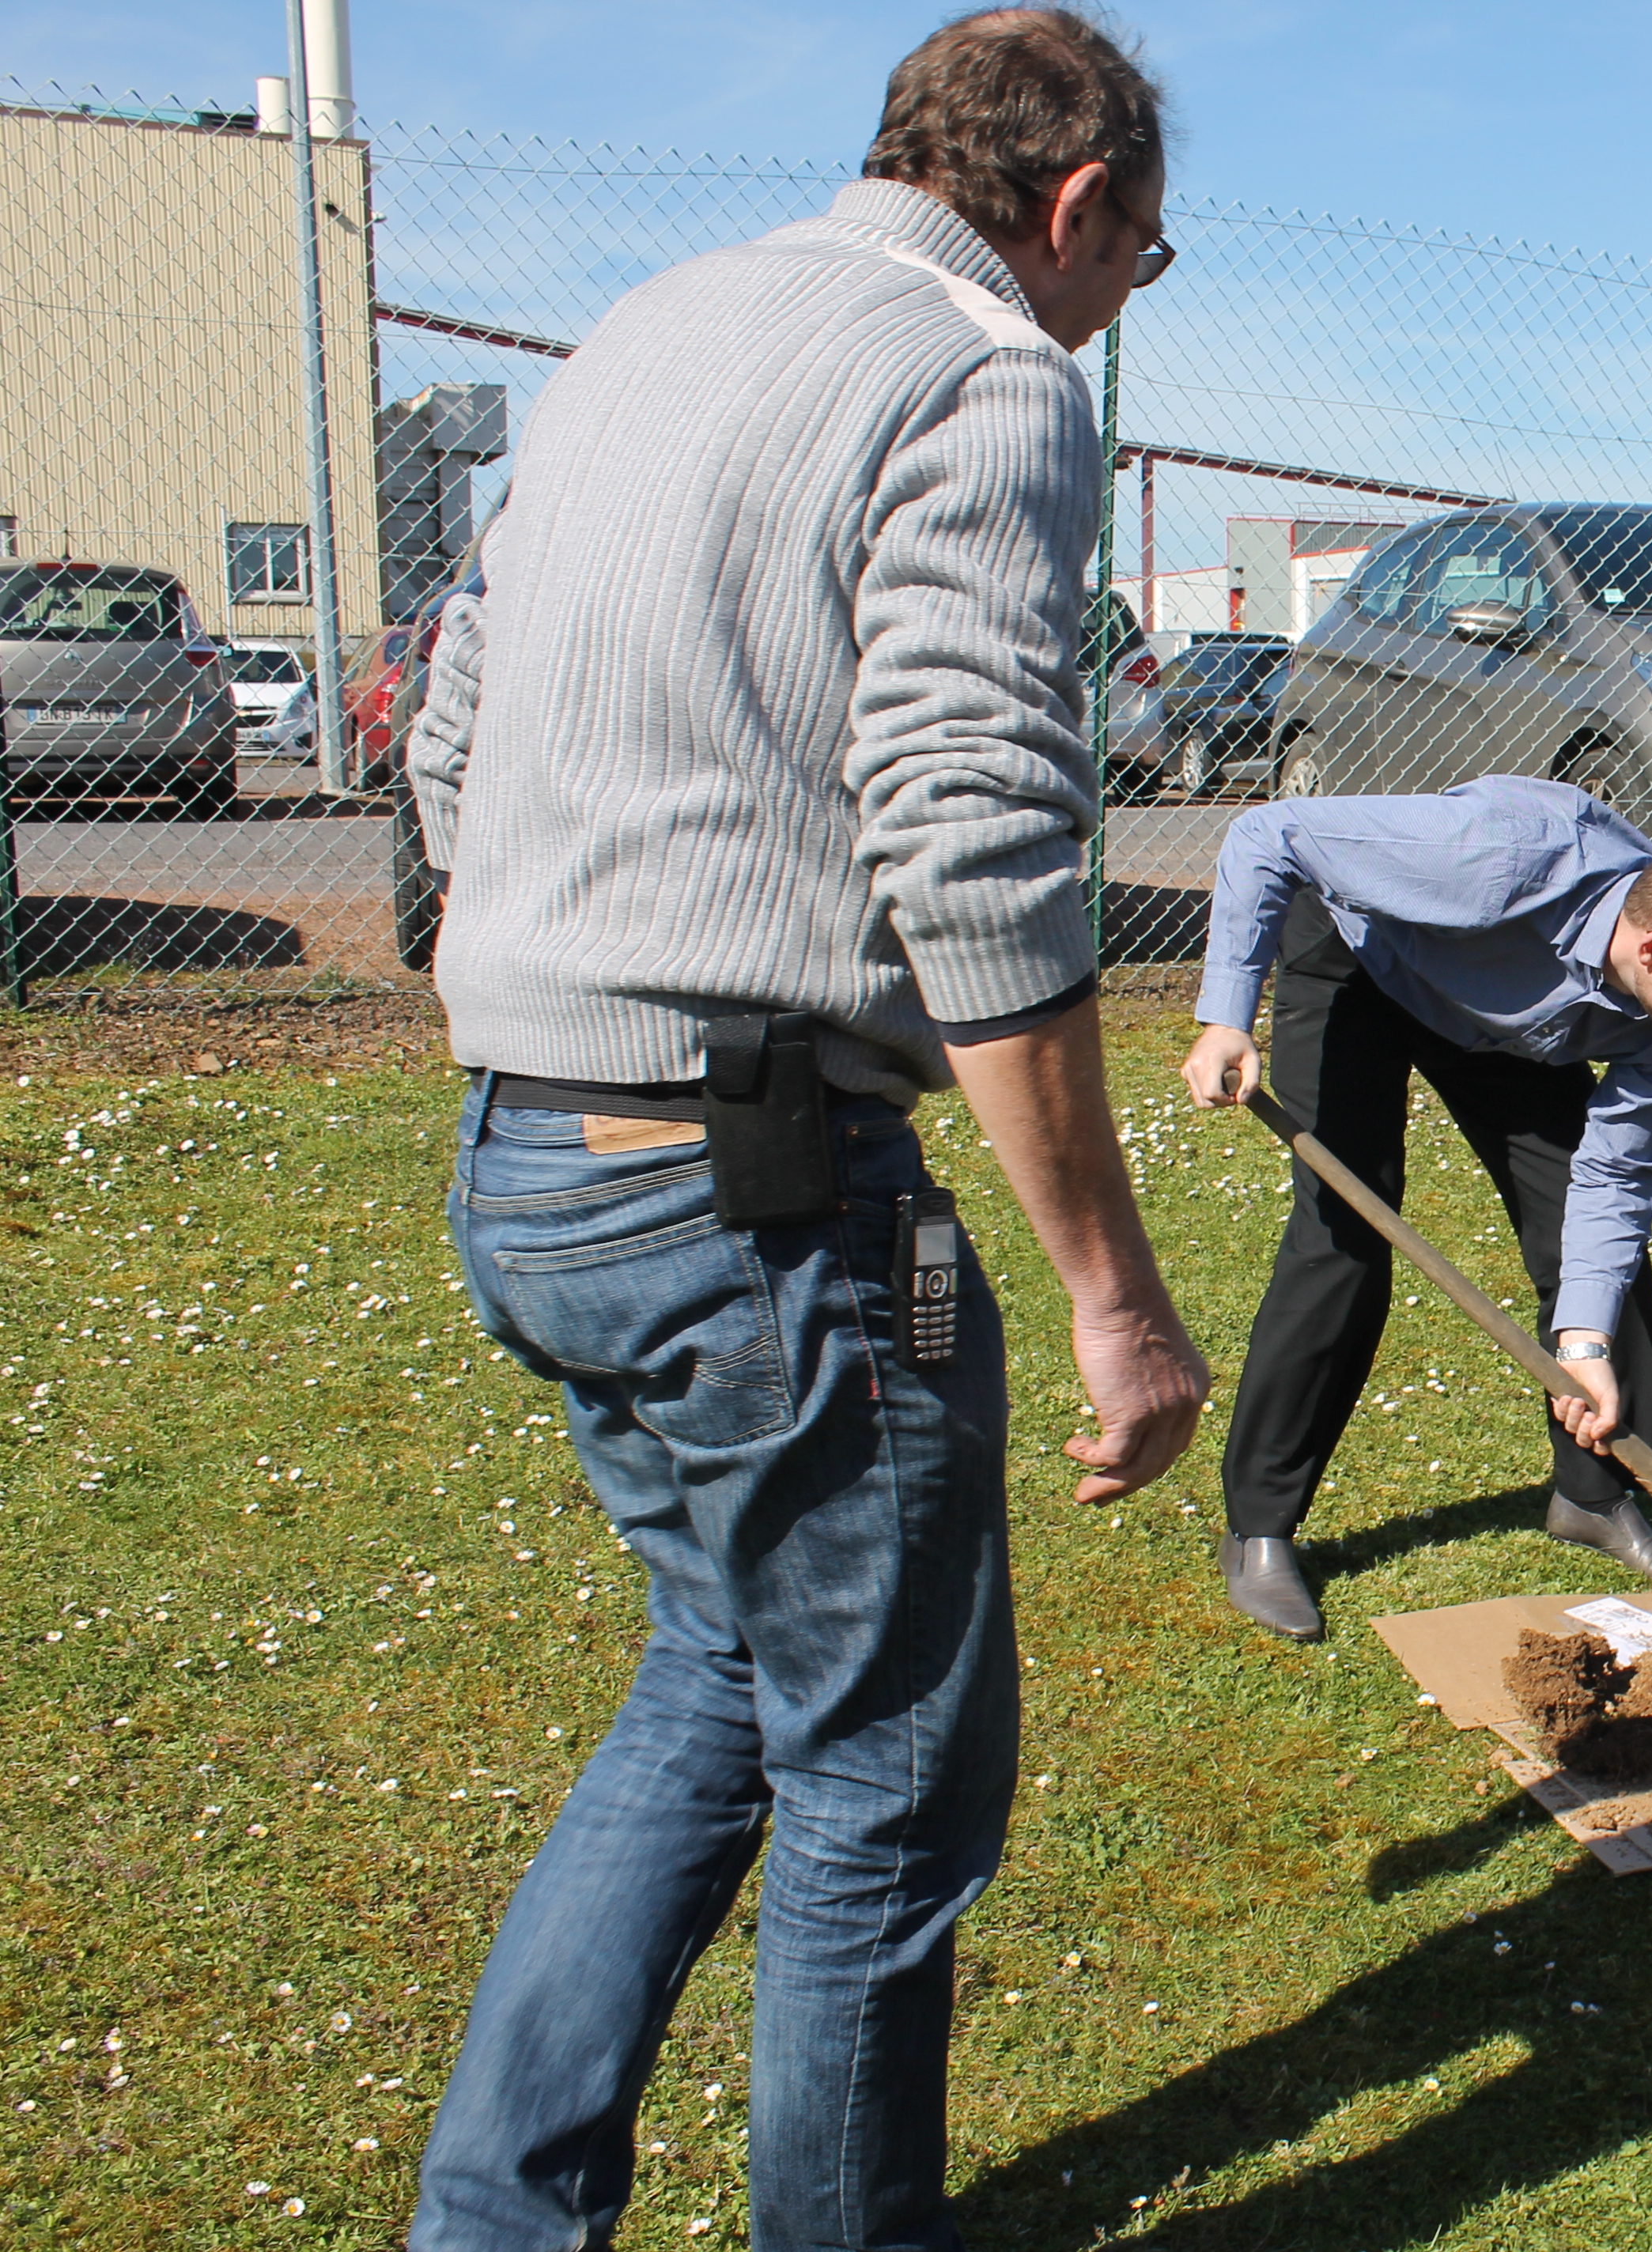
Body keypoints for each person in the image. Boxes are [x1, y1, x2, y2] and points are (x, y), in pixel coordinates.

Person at [403, 14, 1208, 2247]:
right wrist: (1113, 1302)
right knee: (887, 1798)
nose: (1118, 305)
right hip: (756, 1203)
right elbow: (972, 851)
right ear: (1073, 210)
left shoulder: (651, 329)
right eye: (1139, 261)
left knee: (718, 1693)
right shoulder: (982, 372)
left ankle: (494, 2221)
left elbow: (454, 723)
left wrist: (557, 962)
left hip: (533, 1152)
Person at [1181, 776, 1652, 1642]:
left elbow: (1613, 1178)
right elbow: (1268, 834)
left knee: (1594, 1252)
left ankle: (1597, 1498)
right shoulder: (1501, 854)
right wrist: (1226, 1015)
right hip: (1371, 964)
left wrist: (1582, 1344)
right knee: (1344, 1241)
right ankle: (1260, 1531)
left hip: (1517, 1029)